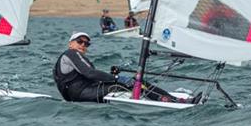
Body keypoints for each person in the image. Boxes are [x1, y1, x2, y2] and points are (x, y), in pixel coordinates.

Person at [53, 32, 191, 103]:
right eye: (80, 42)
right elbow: (90, 74)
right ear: (70, 44)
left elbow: (90, 76)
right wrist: (116, 78)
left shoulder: (74, 56)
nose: (83, 45)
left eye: (86, 44)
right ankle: (170, 100)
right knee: (133, 84)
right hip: (80, 95)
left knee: (135, 82)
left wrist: (113, 78)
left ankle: (170, 98)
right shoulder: (71, 53)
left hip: (79, 94)